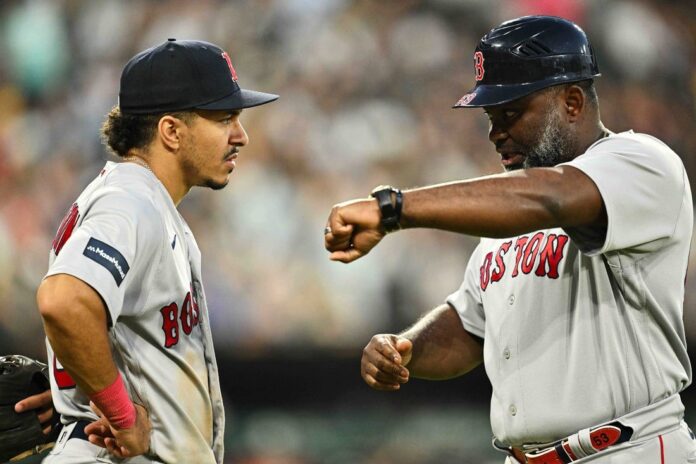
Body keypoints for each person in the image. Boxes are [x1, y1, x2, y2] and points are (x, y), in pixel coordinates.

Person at [324, 15, 695, 463]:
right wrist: (406, 349)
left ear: (572, 102)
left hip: (629, 449)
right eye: (490, 116)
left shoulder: (643, 162)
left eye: (511, 113)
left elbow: (554, 197)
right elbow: (470, 327)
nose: (494, 132)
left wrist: (394, 208)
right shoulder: (506, 210)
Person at [35, 38, 278, 463]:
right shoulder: (131, 201)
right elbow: (64, 301)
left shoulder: (145, 202)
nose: (241, 135)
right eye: (224, 118)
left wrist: (80, 382)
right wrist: (122, 414)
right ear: (171, 131)